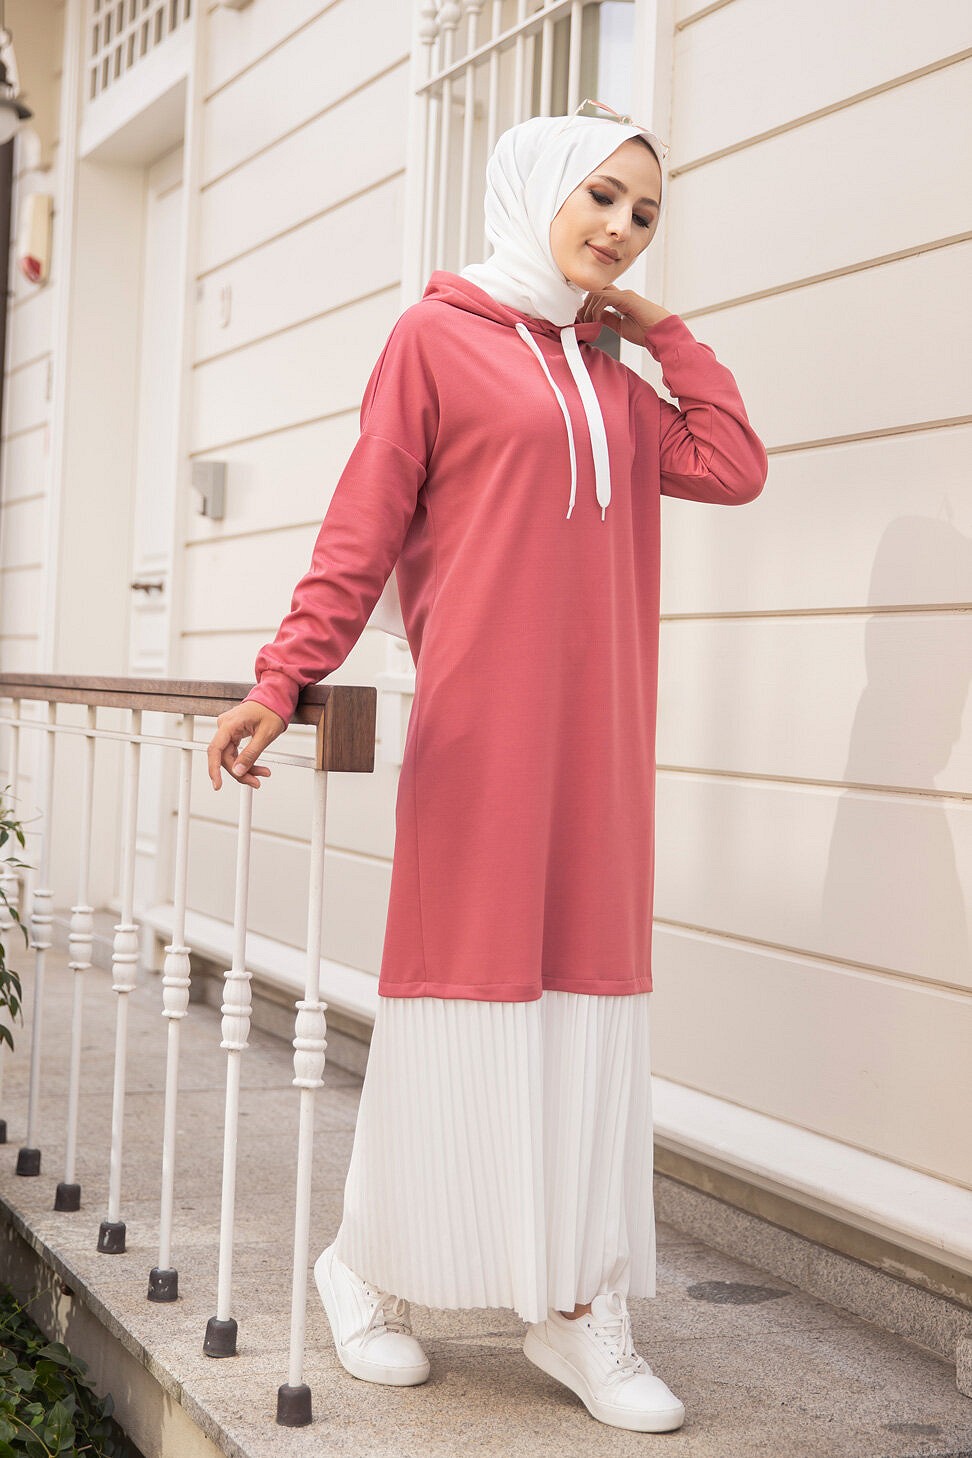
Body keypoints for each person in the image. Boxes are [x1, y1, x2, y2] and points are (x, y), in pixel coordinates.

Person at [207, 102, 768, 1435]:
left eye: (645, 212)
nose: (622, 228)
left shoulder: (620, 385)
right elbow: (359, 530)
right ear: (533, 191)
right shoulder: (434, 338)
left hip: (601, 752)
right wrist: (283, 677)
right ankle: (371, 1268)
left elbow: (734, 466)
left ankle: (576, 1302)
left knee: (586, 1012)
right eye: (602, 196)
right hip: (481, 745)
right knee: (463, 1010)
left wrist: (661, 332)